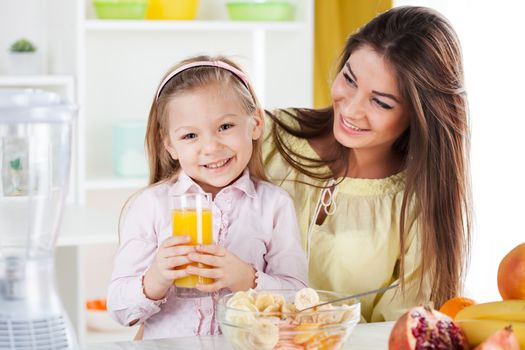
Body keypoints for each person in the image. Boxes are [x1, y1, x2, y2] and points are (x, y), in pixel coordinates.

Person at [263, 6, 472, 322]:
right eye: (349, 79)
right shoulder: (263, 136)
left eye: (381, 102)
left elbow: (396, 328)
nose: (351, 108)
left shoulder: (418, 204)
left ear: (419, 115)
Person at [107, 56, 308, 340]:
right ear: (169, 145)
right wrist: (156, 278)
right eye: (190, 135)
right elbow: (118, 307)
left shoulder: (274, 205)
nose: (211, 147)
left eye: (225, 127)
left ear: (255, 123)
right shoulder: (152, 206)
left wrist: (246, 279)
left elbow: (299, 298)